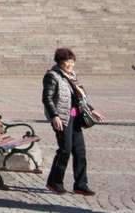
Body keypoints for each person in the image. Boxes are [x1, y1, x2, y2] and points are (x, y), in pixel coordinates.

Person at [42, 48, 104, 195]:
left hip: (76, 118)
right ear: (59, 61)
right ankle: (55, 182)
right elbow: (47, 98)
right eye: (67, 61)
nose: (70, 64)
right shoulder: (52, 76)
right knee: (65, 150)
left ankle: (81, 184)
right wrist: (54, 116)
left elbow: (78, 98)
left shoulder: (72, 75)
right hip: (62, 118)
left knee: (80, 151)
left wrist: (91, 109)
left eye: (72, 61)